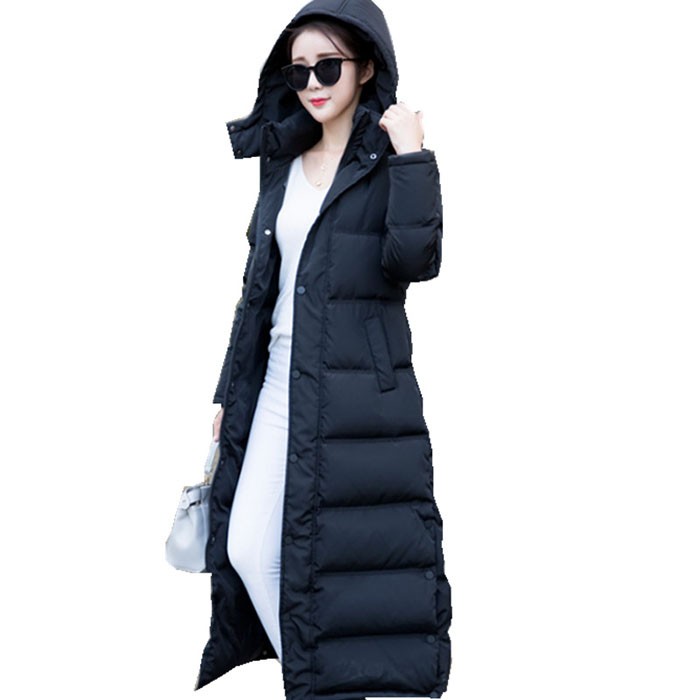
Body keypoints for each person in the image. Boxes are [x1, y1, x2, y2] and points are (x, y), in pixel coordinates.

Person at [195, 1, 451, 696]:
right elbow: (258, 287)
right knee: (248, 546)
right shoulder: (283, 163)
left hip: (353, 390)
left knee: (337, 566)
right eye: (299, 70)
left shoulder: (388, 162)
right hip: (275, 378)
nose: (312, 82)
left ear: (365, 69)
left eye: (328, 66)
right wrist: (228, 391)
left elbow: (415, 260)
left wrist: (414, 157)